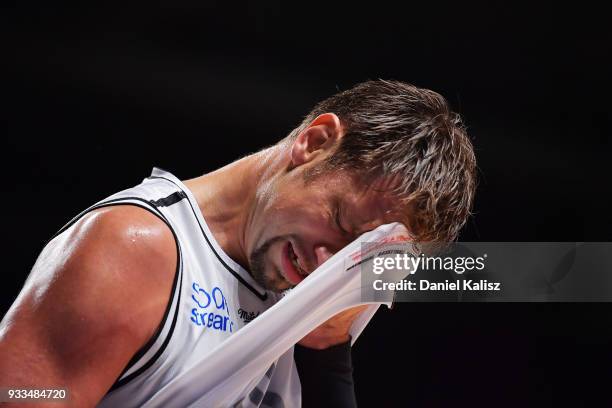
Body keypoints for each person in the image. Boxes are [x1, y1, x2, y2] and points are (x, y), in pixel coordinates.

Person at [0, 80, 476, 407]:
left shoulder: (323, 291)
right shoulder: (137, 248)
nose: (328, 261)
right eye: (338, 220)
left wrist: (329, 347)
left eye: (359, 254)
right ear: (314, 142)